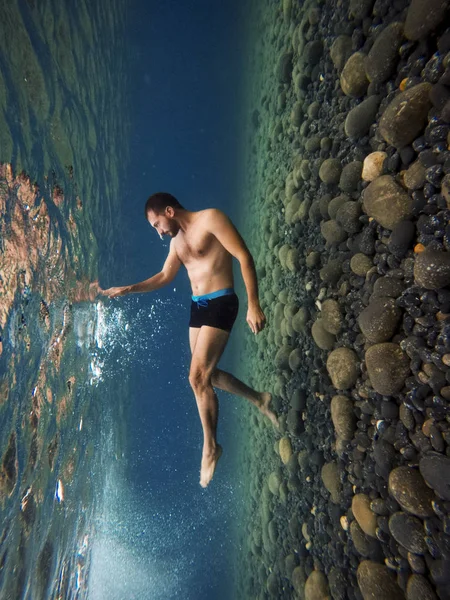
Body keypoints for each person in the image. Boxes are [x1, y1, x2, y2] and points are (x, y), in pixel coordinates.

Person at [101, 192, 278, 488]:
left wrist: (254, 304)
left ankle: (211, 447)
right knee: (209, 375)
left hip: (222, 301)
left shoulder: (211, 218)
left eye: (157, 224)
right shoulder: (176, 243)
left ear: (169, 211)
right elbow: (163, 276)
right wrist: (128, 289)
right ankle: (260, 399)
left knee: (197, 378)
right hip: (199, 308)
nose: (158, 232)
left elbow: (243, 255)